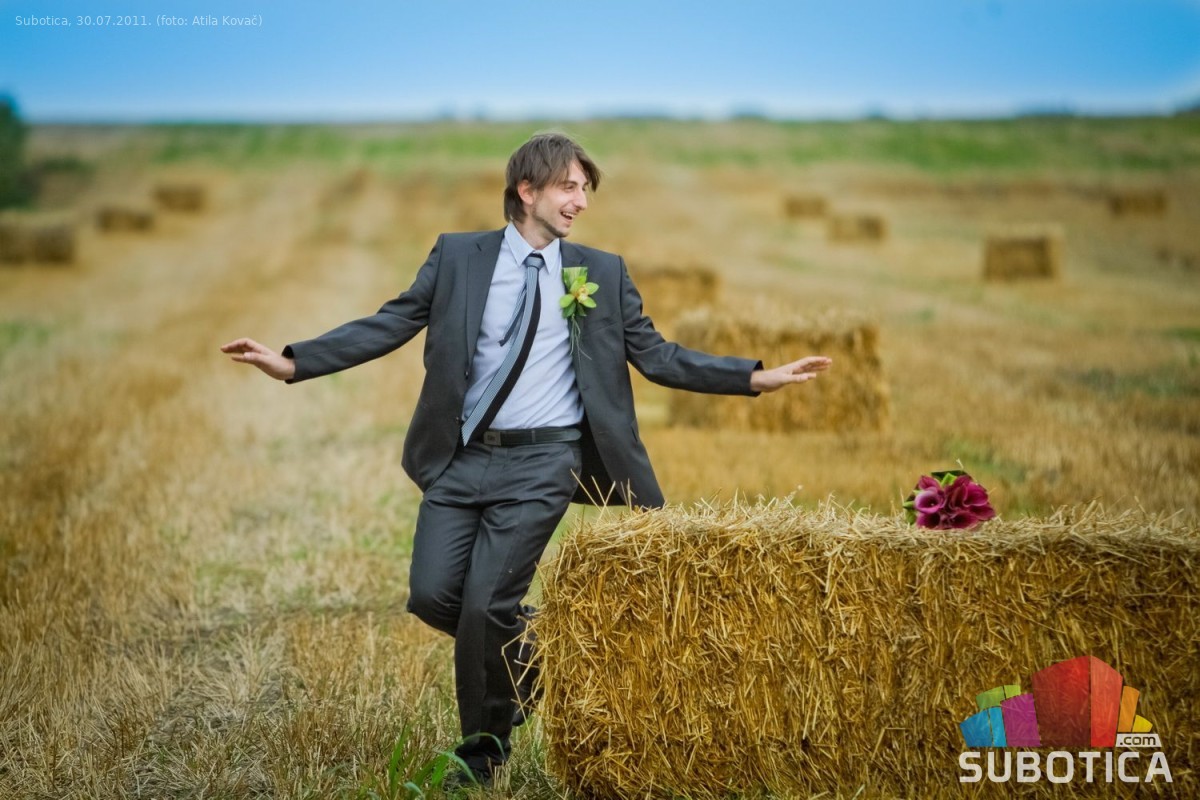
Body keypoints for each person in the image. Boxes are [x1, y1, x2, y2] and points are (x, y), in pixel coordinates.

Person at [220, 132, 831, 788]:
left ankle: (482, 753)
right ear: (527, 190)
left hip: (545, 462)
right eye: (569, 186)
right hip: (461, 458)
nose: (581, 202)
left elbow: (658, 356)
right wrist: (295, 363)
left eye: (585, 190)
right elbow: (389, 322)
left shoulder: (601, 273)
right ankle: (548, 659)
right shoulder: (459, 257)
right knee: (433, 595)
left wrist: (753, 377)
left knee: (487, 603)